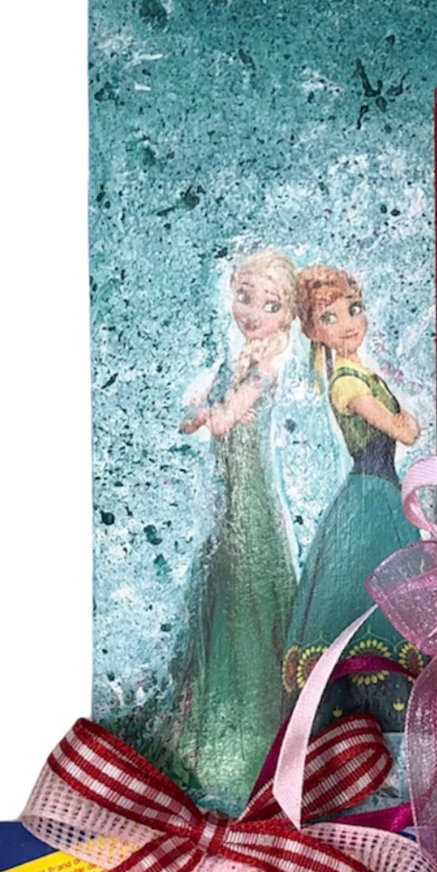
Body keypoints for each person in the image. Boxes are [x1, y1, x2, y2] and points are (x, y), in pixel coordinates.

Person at [156, 250, 303, 805]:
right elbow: (196, 412)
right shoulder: (237, 358)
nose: (253, 312)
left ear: (287, 314)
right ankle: (205, 735)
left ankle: (250, 749)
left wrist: (211, 413)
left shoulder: (267, 365)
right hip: (228, 500)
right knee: (221, 592)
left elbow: (226, 416)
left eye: (269, 304)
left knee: (247, 596)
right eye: (245, 297)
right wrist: (199, 410)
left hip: (250, 501)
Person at [281, 267, 422, 731]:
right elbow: (405, 429)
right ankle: (358, 721)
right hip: (368, 502)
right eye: (330, 317)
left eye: (353, 309)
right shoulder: (347, 383)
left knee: (390, 600)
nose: (347, 324)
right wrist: (402, 418)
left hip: (384, 495)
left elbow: (409, 427)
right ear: (313, 331)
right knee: (365, 603)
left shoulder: (364, 374)